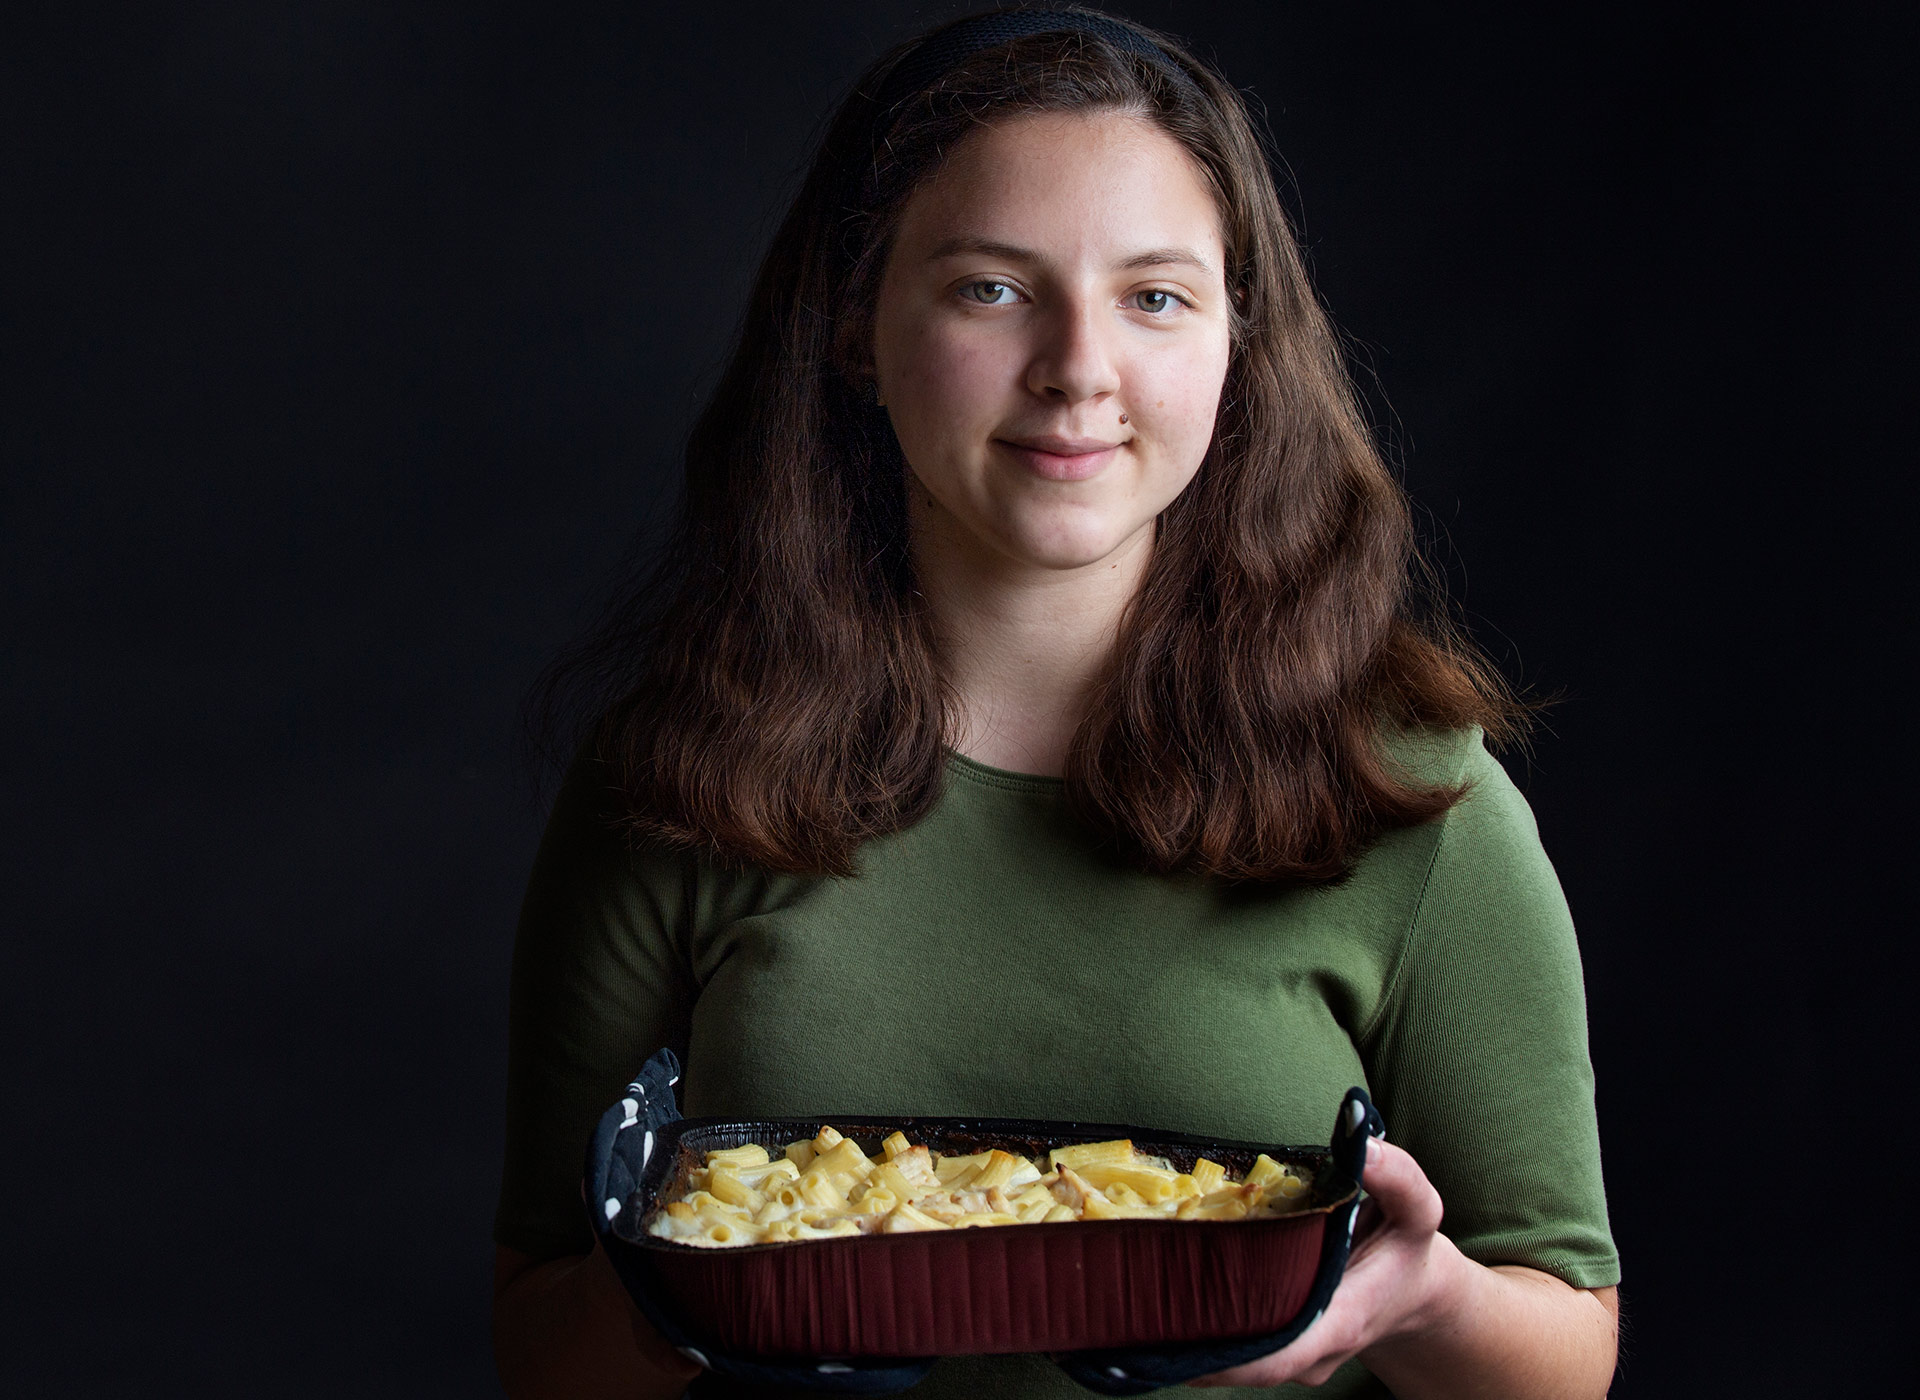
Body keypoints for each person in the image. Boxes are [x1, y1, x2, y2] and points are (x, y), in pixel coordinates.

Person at [489, 8, 1620, 1397]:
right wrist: (697, 1279)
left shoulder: (1409, 789)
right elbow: (543, 1347)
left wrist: (1421, 1300)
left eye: (1155, 295)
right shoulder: (681, 772)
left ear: (1236, 341)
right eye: (991, 288)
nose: (1080, 367)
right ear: (854, 323)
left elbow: (1567, 1352)